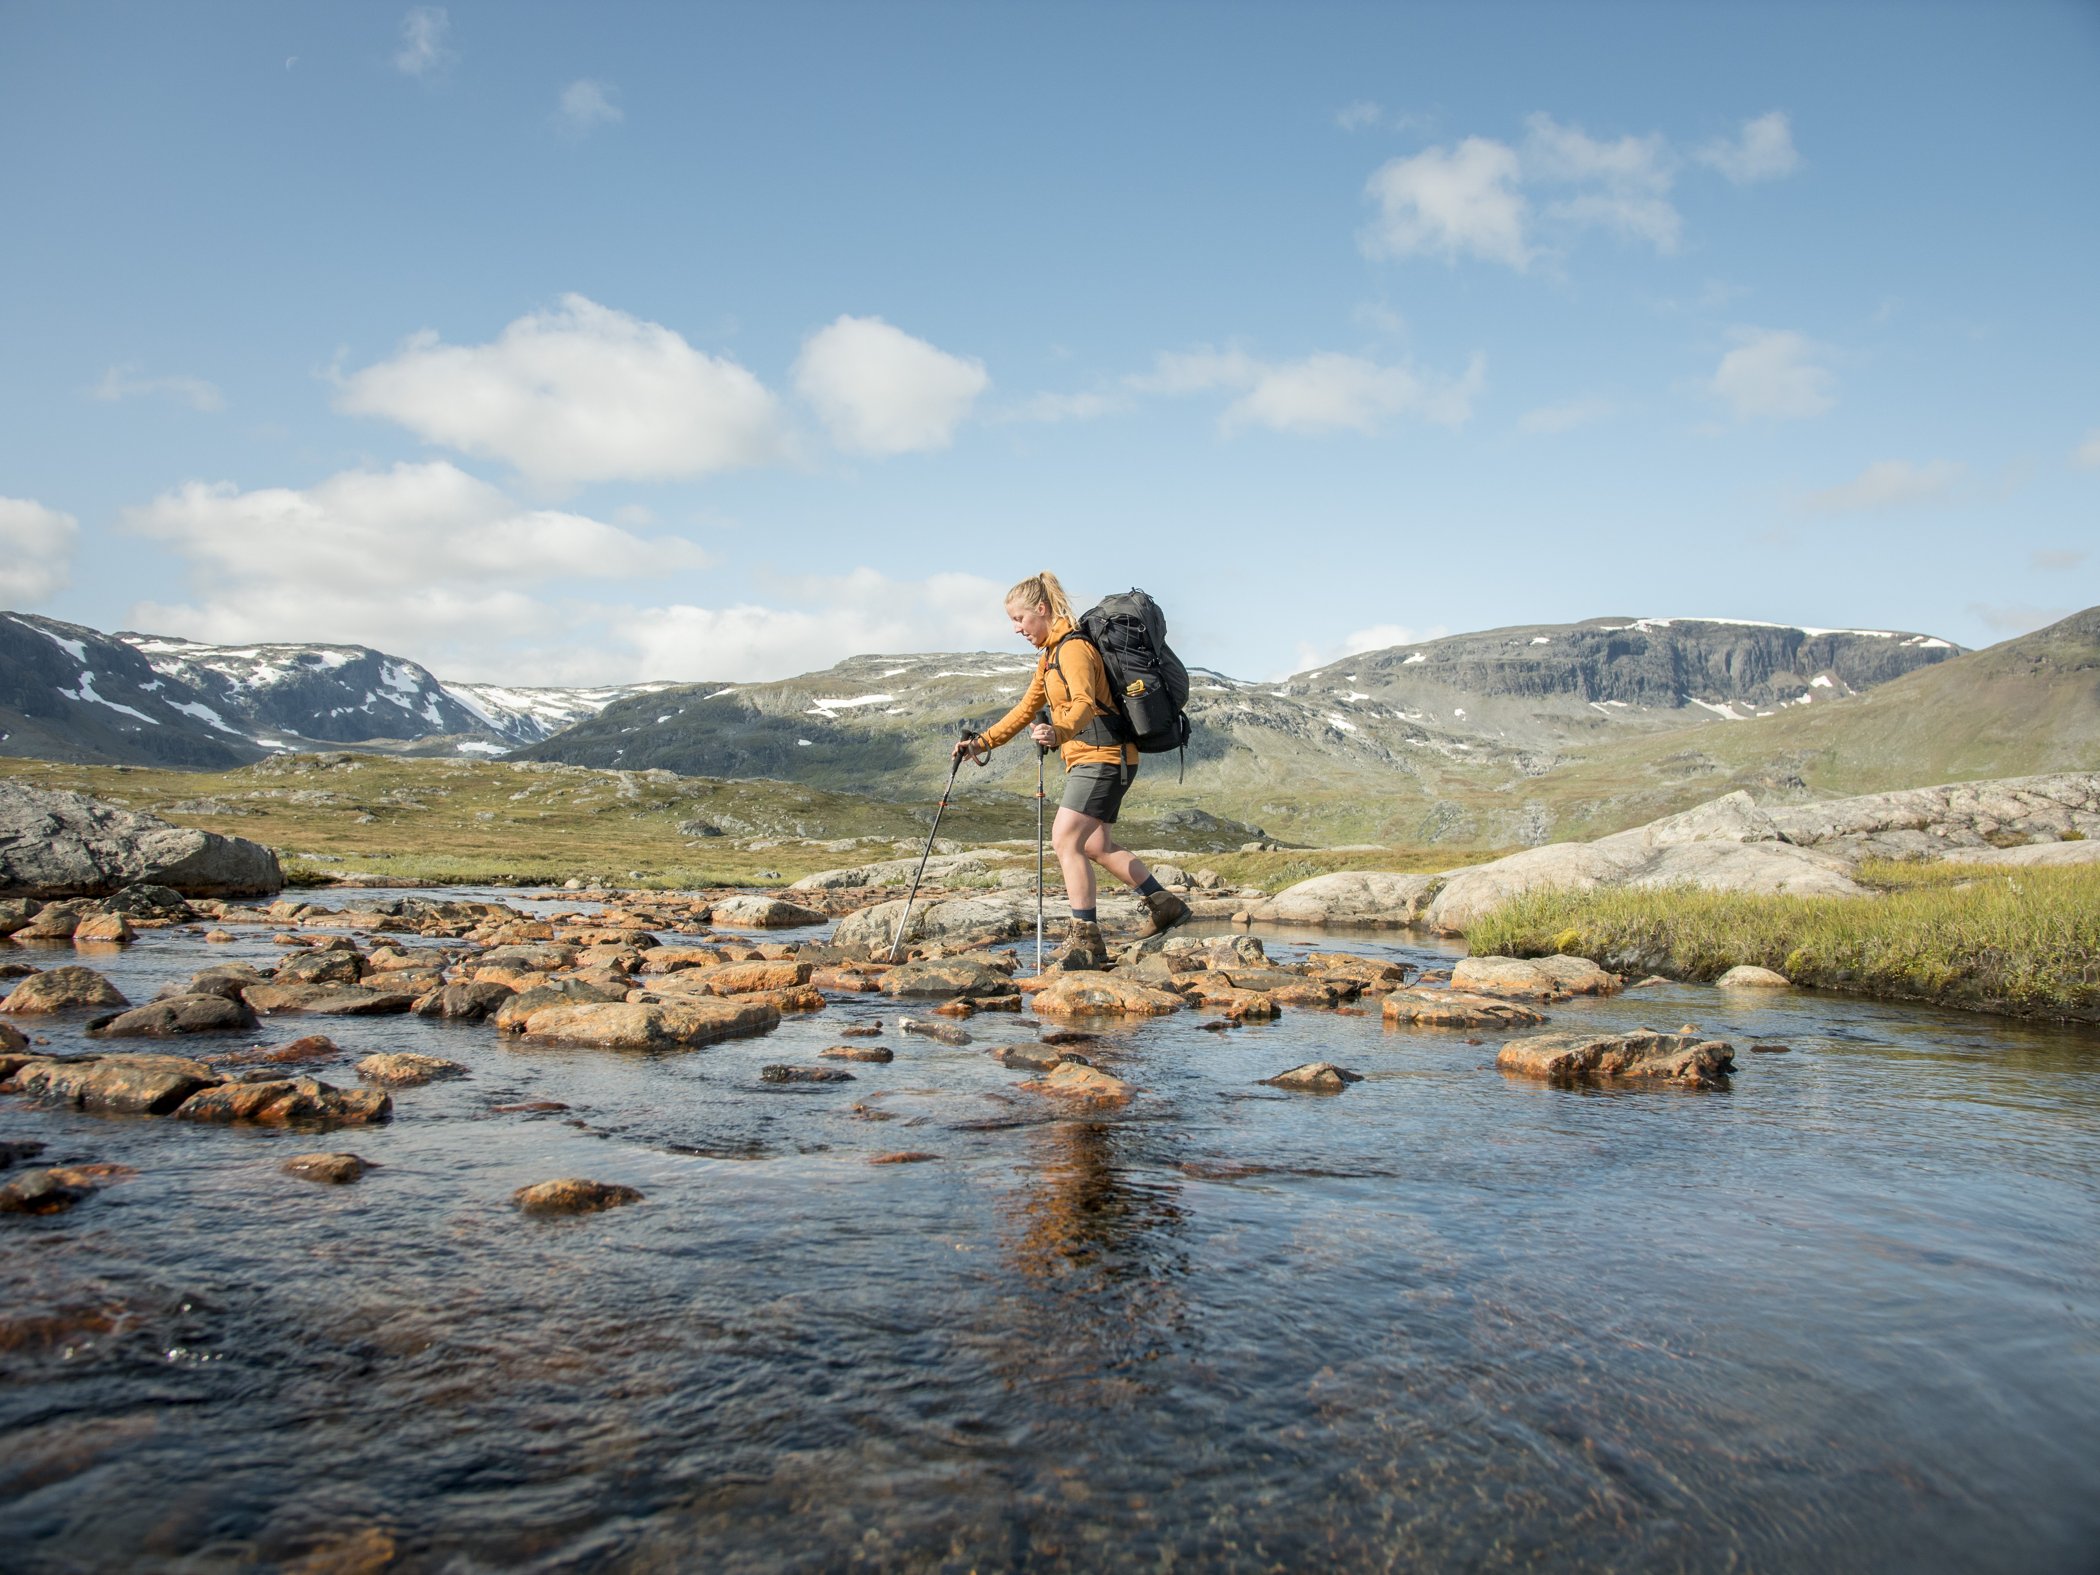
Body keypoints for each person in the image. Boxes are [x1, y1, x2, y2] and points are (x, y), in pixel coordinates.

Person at [955, 571, 1190, 970]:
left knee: (1065, 839)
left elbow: (1082, 703)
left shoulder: (1073, 650)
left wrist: (1059, 731)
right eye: (1012, 621)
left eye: (1019, 619)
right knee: (1097, 846)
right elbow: (1025, 709)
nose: (1016, 629)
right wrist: (981, 743)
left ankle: (1086, 941)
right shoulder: (1049, 657)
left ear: (1041, 610)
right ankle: (1164, 904)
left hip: (1104, 756)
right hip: (1098, 757)